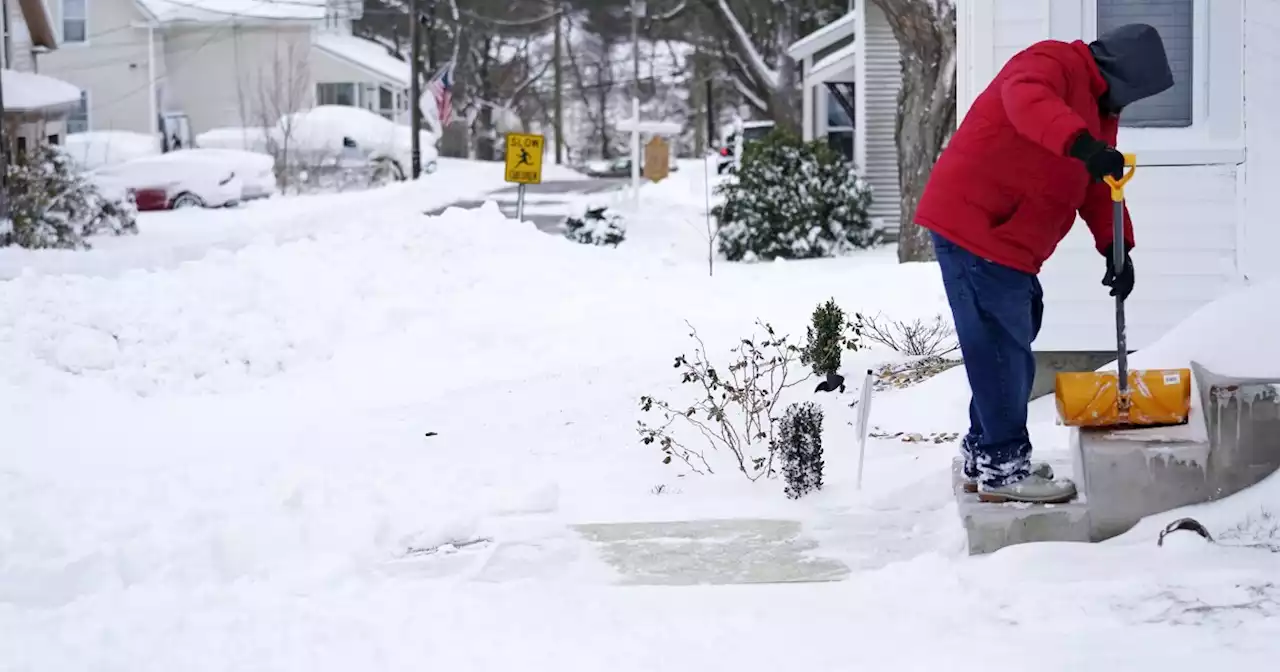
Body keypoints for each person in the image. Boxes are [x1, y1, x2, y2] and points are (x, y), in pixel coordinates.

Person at [915, 24, 1175, 504]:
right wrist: (1081, 143)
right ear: (1122, 74)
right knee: (1000, 347)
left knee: (1013, 336)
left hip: (1007, 240)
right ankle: (1002, 466)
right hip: (978, 227)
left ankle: (984, 450)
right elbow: (1026, 100)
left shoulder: (1100, 114)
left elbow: (1098, 185)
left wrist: (1117, 248)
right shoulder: (1052, 63)